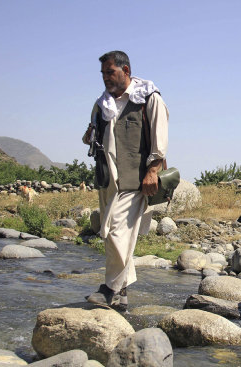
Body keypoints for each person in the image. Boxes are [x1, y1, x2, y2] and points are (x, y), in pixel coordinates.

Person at [82, 50, 169, 308]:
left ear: (126, 71)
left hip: (136, 181)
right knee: (118, 235)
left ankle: (109, 288)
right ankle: (123, 293)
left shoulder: (149, 98)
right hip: (108, 181)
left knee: (116, 231)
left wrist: (153, 171)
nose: (106, 78)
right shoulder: (102, 105)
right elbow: (93, 138)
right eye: (103, 74)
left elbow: (160, 137)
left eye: (111, 72)